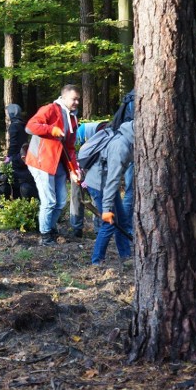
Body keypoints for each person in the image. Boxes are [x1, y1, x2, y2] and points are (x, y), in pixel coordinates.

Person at [25, 84, 82, 246]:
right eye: (74, 99)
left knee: (61, 201)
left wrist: (73, 170)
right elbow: (30, 127)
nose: (77, 102)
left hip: (59, 164)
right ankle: (45, 236)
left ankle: (49, 227)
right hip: (41, 161)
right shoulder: (50, 109)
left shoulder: (73, 118)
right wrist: (52, 130)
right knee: (49, 201)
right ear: (63, 98)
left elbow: (69, 148)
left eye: (78, 99)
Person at [89, 121, 134, 266]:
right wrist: (107, 208)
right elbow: (112, 179)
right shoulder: (121, 146)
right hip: (99, 184)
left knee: (122, 220)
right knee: (109, 223)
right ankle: (97, 261)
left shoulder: (130, 140)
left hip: (106, 184)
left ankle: (126, 256)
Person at [69, 120, 108, 237]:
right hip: (79, 162)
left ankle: (99, 228)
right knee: (77, 194)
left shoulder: (109, 135)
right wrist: (76, 169)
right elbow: (72, 152)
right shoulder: (79, 133)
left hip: (95, 161)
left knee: (97, 192)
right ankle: (77, 228)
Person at [0, 104, 36, 200]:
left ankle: (16, 199)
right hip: (25, 155)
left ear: (12, 113)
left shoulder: (14, 126)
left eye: (7, 114)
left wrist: (8, 158)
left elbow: (13, 144)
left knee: (15, 179)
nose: (7, 116)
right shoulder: (23, 125)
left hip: (16, 157)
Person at [112, 89, 136, 236]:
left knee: (131, 191)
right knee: (131, 191)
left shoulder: (129, 99)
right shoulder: (136, 101)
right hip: (133, 150)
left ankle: (126, 226)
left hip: (130, 148)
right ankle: (126, 228)